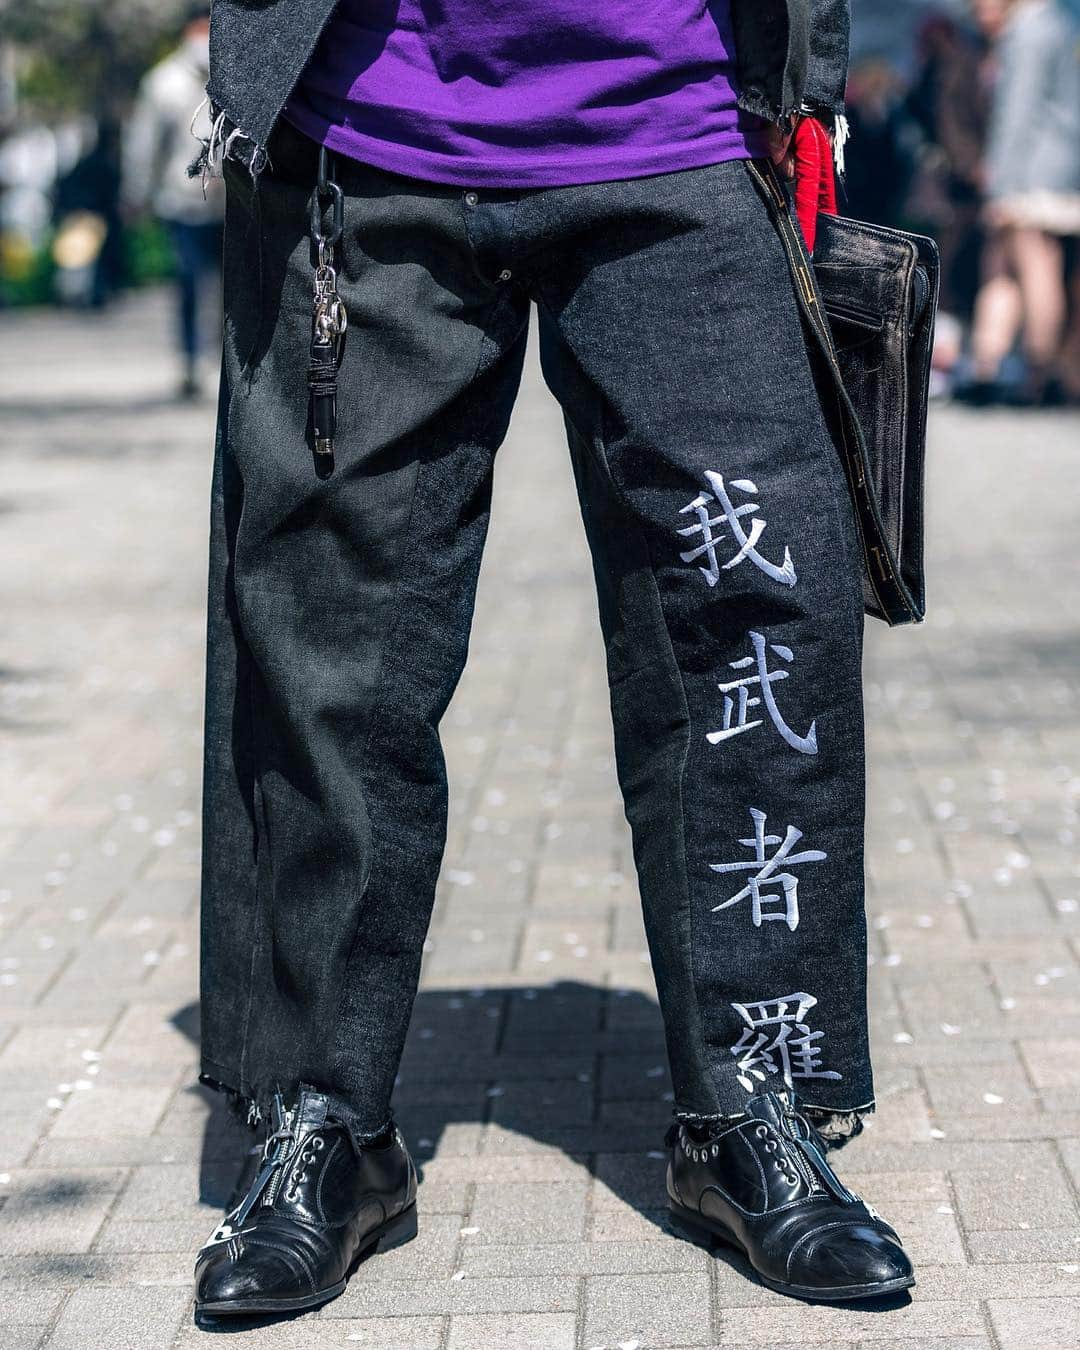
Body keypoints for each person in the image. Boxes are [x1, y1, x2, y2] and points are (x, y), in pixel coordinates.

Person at [192, 0, 916, 1318]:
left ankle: (754, 1103)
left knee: (755, 611)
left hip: (683, 113)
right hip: (370, 120)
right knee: (328, 640)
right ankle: (323, 1115)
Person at [964, 0, 1080, 404]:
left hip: (1031, 172)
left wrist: (1000, 183)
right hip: (1057, 166)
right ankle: (989, 364)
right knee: (1008, 266)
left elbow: (1017, 113)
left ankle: (1038, 370)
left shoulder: (1030, 31)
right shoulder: (1060, 24)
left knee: (1033, 265)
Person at [122, 5, 224, 399]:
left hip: (231, 204)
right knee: (189, 282)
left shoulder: (234, 75)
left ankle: (221, 360)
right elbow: (143, 145)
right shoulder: (163, 82)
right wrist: (136, 193)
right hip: (181, 203)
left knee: (232, 288)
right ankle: (189, 360)